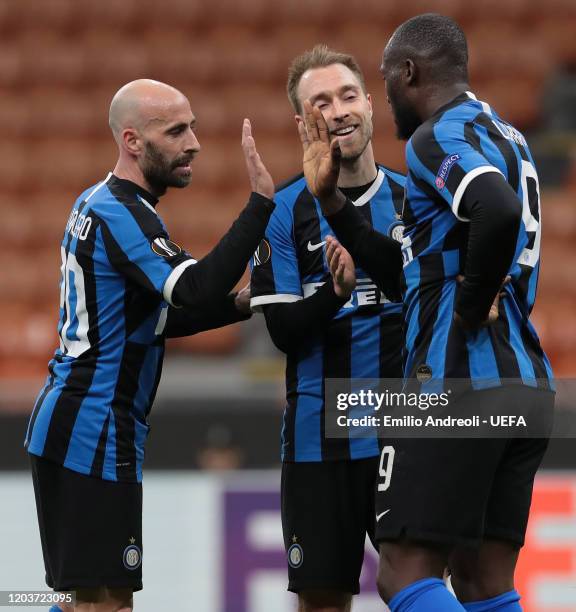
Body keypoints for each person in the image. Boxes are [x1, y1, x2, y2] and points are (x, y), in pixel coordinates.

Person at [296, 15, 554, 612]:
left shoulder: (434, 138)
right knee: (482, 582)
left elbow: (496, 210)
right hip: (523, 385)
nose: (385, 100)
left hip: (454, 382)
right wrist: (333, 202)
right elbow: (407, 271)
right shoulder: (507, 136)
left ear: (409, 73)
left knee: (403, 575)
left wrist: (468, 304)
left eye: (386, 84)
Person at [24, 79, 276, 612]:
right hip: (92, 428)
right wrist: (259, 207)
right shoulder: (121, 212)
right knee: (106, 603)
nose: (195, 143)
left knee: (87, 600)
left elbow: (157, 318)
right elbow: (192, 289)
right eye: (177, 130)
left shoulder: (98, 201)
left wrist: (243, 303)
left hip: (77, 424)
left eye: (194, 127)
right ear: (133, 141)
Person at [250, 46, 405, 612]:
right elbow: (284, 331)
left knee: (417, 587)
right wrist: (332, 297)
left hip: (407, 430)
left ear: (369, 102)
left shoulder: (415, 199)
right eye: (321, 103)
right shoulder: (284, 209)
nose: (338, 111)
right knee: (322, 602)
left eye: (347, 96)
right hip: (321, 440)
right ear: (302, 123)